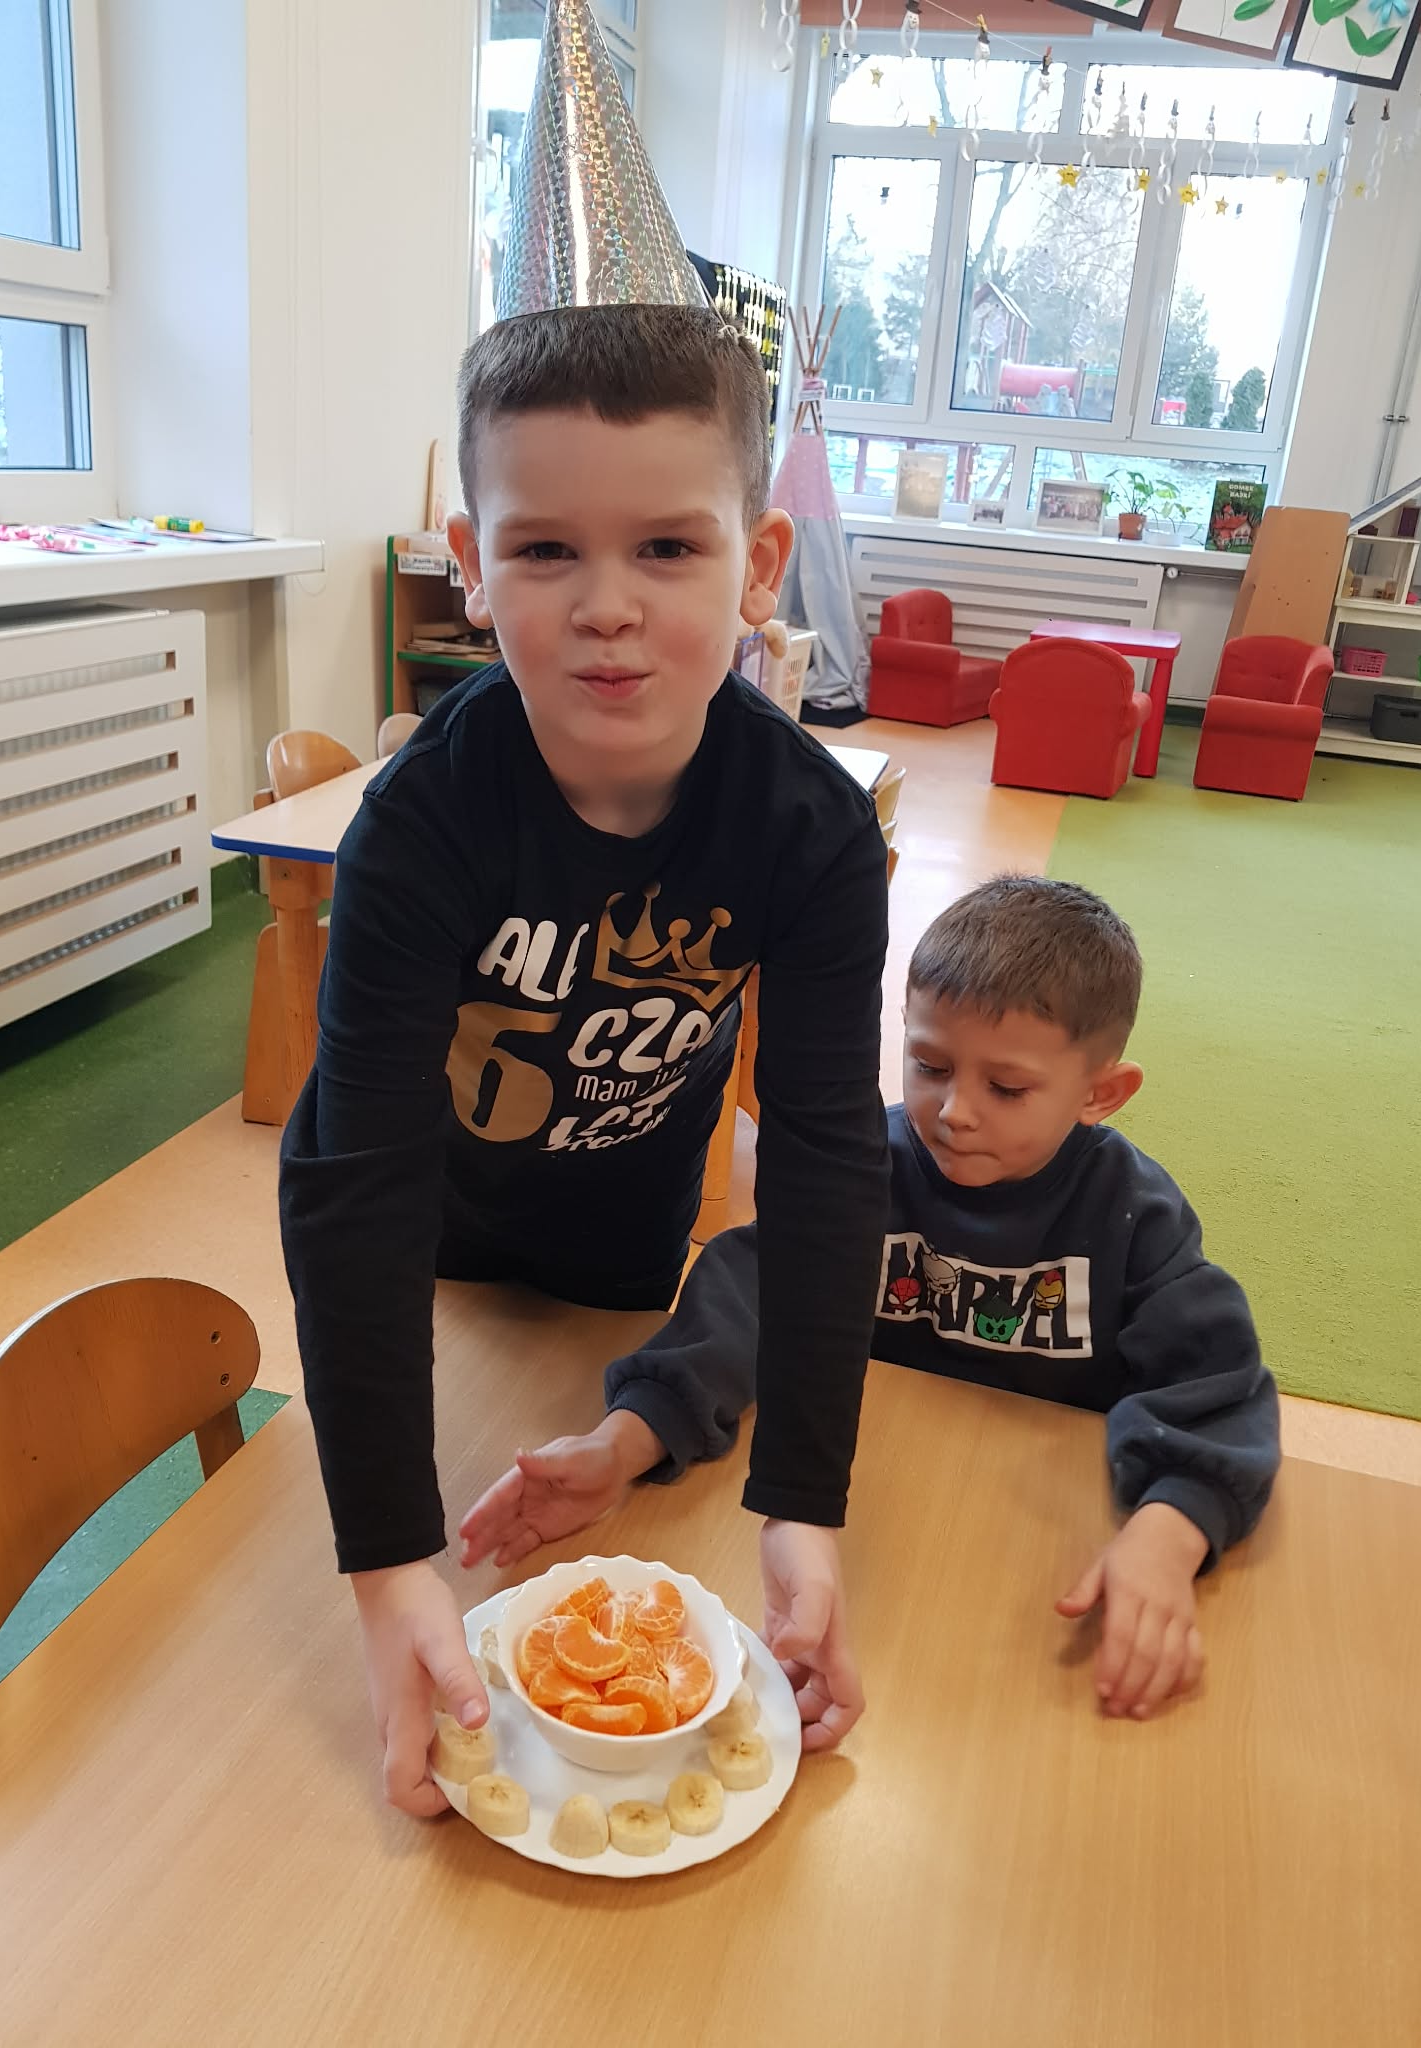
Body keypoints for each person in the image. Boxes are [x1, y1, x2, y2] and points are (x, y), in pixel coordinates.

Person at [279, 298, 890, 1815]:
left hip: (625, 1224)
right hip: (420, 1233)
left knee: (591, 1449)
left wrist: (803, 1506)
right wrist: (388, 1564)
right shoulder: (419, 824)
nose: (607, 606)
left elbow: (826, 1161)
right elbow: (353, 1182)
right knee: (448, 1470)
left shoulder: (811, 831)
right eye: (546, 549)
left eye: (667, 547)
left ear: (759, 565)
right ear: (472, 566)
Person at [465, 877, 1281, 1722]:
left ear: (1100, 1093)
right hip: (867, 1529)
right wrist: (627, 1439)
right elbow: (748, 1295)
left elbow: (1216, 1382)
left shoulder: (1134, 1213)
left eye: (1006, 1089)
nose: (955, 1112)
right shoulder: (860, 1168)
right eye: (930, 1066)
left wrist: (1169, 1531)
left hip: (1027, 1567)